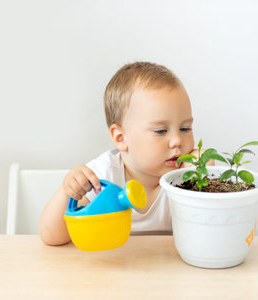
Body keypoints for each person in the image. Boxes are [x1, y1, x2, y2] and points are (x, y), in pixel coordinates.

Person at [39, 62, 210, 246]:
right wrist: (68, 192)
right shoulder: (102, 177)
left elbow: (209, 235)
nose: (177, 140)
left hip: (170, 269)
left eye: (185, 128)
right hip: (115, 267)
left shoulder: (185, 176)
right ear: (121, 138)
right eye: (161, 131)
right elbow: (52, 237)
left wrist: (202, 183)